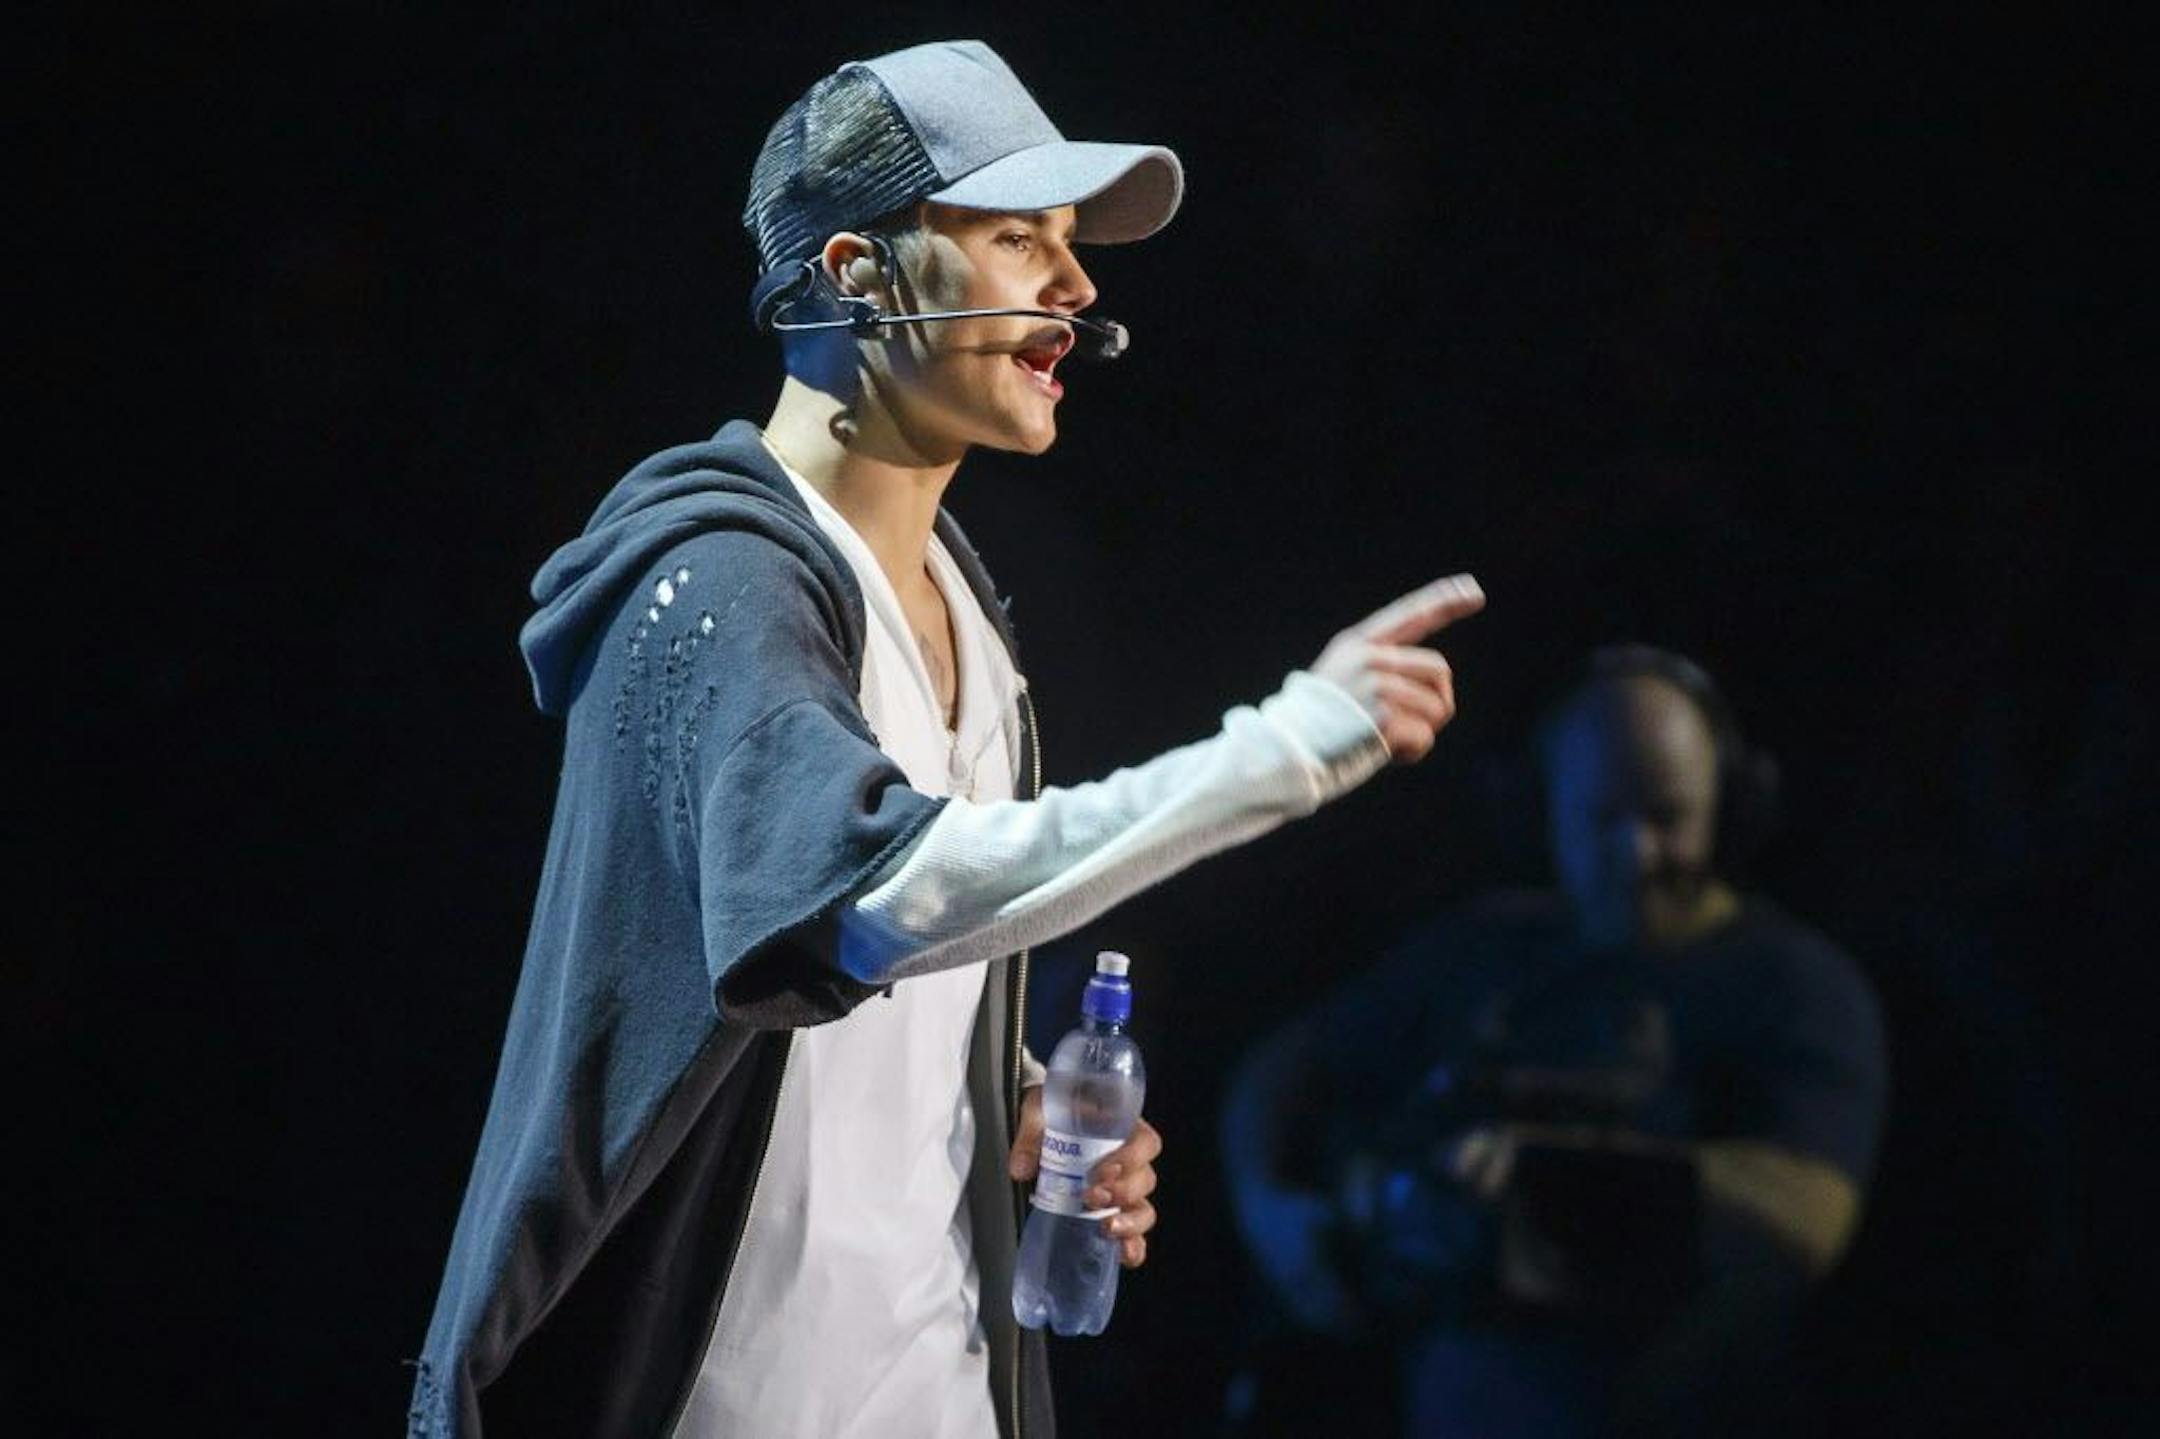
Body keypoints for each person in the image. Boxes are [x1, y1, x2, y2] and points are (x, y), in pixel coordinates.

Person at [407, 40, 1485, 1439]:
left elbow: (873, 979)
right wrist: (1281, 748)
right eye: (1018, 237)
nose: (1078, 287)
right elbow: (871, 893)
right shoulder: (719, 579)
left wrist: (992, 1108)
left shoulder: (974, 612)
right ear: (857, 270)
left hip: (941, 1389)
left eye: (1071, 244)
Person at [1221, 645, 1886, 1437]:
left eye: (1668, 816)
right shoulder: (1486, 946)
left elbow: (1808, 1218)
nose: (1638, 854)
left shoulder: (1794, 983)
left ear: (1728, 805)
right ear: (1545, 813)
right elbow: (1284, 1067)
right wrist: (1273, 1210)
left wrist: (1548, 1174)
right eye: (1603, 819)